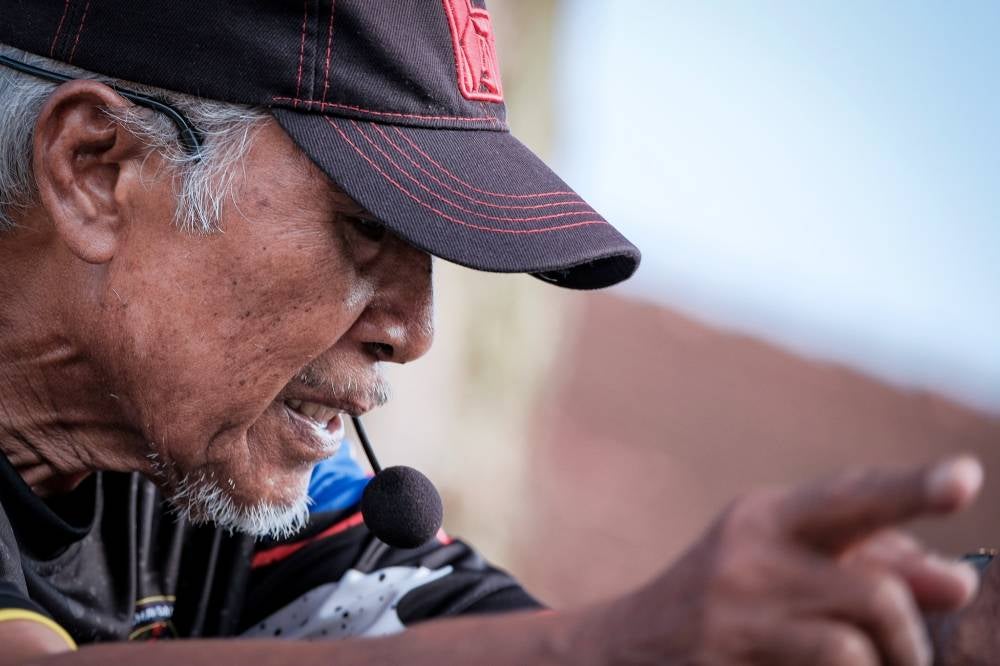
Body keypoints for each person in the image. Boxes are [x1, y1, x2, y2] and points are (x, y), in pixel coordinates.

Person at [0, 1, 994, 664]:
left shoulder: (209, 474)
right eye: (366, 228)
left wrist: (907, 617)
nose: (414, 331)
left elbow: (484, 636)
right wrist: (618, 644)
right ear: (95, 170)